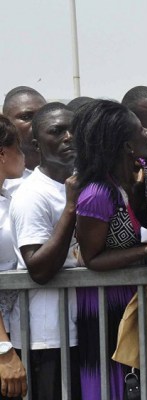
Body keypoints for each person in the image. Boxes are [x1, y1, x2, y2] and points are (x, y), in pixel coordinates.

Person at [72, 99, 147, 399]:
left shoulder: (121, 184)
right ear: (127, 146)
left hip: (127, 297)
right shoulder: (96, 194)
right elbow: (92, 258)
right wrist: (146, 251)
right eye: (141, 129)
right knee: (115, 385)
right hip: (106, 304)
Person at [9, 102, 81, 399]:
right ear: (37, 144)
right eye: (57, 131)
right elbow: (38, 268)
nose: (68, 137)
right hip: (46, 336)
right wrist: (71, 208)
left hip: (80, 327)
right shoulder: (32, 194)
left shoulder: (79, 182)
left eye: (73, 130)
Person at [0, 117, 28, 399]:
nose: (24, 154)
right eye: (19, 147)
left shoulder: (9, 196)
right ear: (2, 153)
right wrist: (4, 351)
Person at [1, 86, 46, 194]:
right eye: (26, 117)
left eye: (43, 116)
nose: (38, 123)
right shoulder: (5, 182)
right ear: (7, 124)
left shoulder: (71, 173)